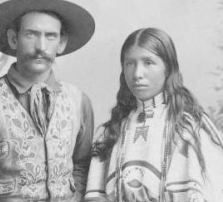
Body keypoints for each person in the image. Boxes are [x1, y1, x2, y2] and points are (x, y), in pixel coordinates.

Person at [0, 0, 95, 202]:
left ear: (61, 43)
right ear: (13, 39)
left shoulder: (79, 102)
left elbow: (81, 168)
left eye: (50, 36)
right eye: (31, 34)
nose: (41, 46)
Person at [84, 28, 223, 202]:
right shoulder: (110, 133)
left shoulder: (191, 128)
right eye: (130, 64)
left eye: (148, 63)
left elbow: (212, 193)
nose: (137, 74)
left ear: (168, 68)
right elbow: (94, 197)